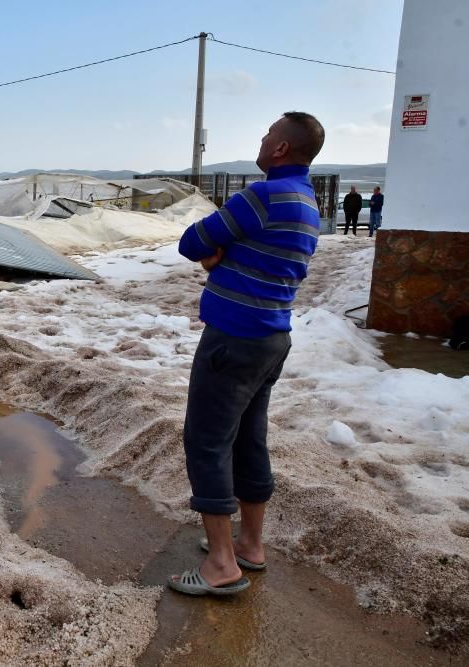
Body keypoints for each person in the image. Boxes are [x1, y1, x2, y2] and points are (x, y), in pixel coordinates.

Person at [170, 111, 324, 597]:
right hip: (272, 338)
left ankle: (220, 565)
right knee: (247, 441)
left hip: (233, 338)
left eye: (266, 135)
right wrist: (224, 255)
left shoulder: (262, 196)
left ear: (280, 148)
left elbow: (191, 241)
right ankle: (250, 546)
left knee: (207, 441)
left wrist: (216, 255)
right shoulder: (306, 200)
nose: (261, 140)